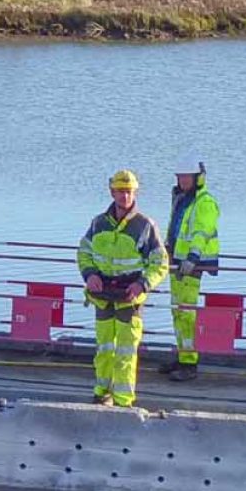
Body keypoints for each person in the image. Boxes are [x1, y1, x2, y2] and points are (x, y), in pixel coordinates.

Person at [77, 169, 167, 407]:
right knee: (104, 348)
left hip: (129, 297)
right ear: (112, 192)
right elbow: (84, 253)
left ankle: (123, 400)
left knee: (126, 352)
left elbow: (160, 263)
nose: (125, 197)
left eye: (128, 192)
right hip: (102, 295)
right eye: (120, 192)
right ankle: (101, 392)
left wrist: (142, 284)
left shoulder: (145, 226)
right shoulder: (98, 224)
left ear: (135, 192)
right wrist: (90, 275)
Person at [164, 158, 221, 381]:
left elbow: (201, 232)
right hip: (177, 263)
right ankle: (182, 355)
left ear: (198, 178)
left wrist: (193, 258)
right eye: (179, 176)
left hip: (191, 265)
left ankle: (189, 363)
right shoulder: (182, 199)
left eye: (186, 176)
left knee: (186, 312)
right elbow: (176, 229)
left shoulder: (204, 202)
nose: (182, 180)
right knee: (178, 311)